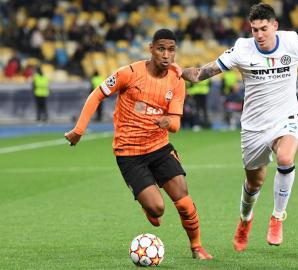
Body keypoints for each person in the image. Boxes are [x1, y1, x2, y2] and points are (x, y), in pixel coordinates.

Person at [181, 3, 298, 251]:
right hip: (254, 127)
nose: (258, 35)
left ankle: (277, 217)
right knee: (254, 184)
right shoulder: (241, 49)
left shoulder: (293, 42)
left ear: (275, 26)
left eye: (263, 29)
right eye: (254, 30)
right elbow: (200, 74)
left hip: (287, 117)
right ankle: (245, 221)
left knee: (285, 157)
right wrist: (174, 70)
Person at [64, 29, 212, 260]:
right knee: (157, 209)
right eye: (161, 48)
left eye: (171, 50)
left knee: (183, 199)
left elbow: (175, 123)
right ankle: (148, 205)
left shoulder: (177, 80)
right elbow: (97, 95)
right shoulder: (129, 73)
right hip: (129, 153)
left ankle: (197, 247)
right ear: (151, 48)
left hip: (159, 147)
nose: (166, 54)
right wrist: (79, 130)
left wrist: (168, 122)